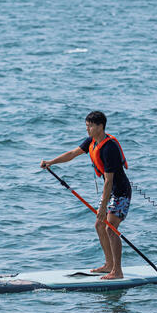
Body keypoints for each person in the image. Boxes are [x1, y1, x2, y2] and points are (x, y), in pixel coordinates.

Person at [40, 111, 131, 279]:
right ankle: (109, 264)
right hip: (110, 193)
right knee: (99, 225)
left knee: (110, 229)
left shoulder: (109, 148)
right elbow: (72, 154)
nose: (87, 129)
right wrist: (51, 162)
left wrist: (103, 206)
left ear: (100, 126)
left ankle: (117, 271)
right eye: (86, 126)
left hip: (120, 192)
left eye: (90, 126)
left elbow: (109, 181)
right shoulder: (92, 141)